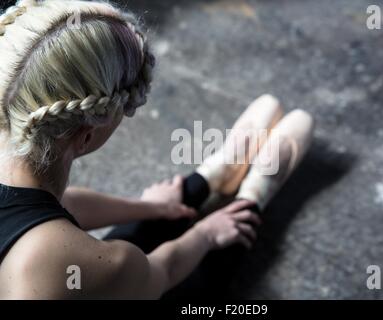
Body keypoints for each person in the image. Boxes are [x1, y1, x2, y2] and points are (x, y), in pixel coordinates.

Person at [0, 0, 314, 299]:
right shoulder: (82, 264)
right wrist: (206, 234)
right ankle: (250, 200)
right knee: (181, 276)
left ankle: (212, 179)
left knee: (107, 261)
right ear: (87, 135)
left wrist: (146, 206)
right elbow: (161, 272)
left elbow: (56, 205)